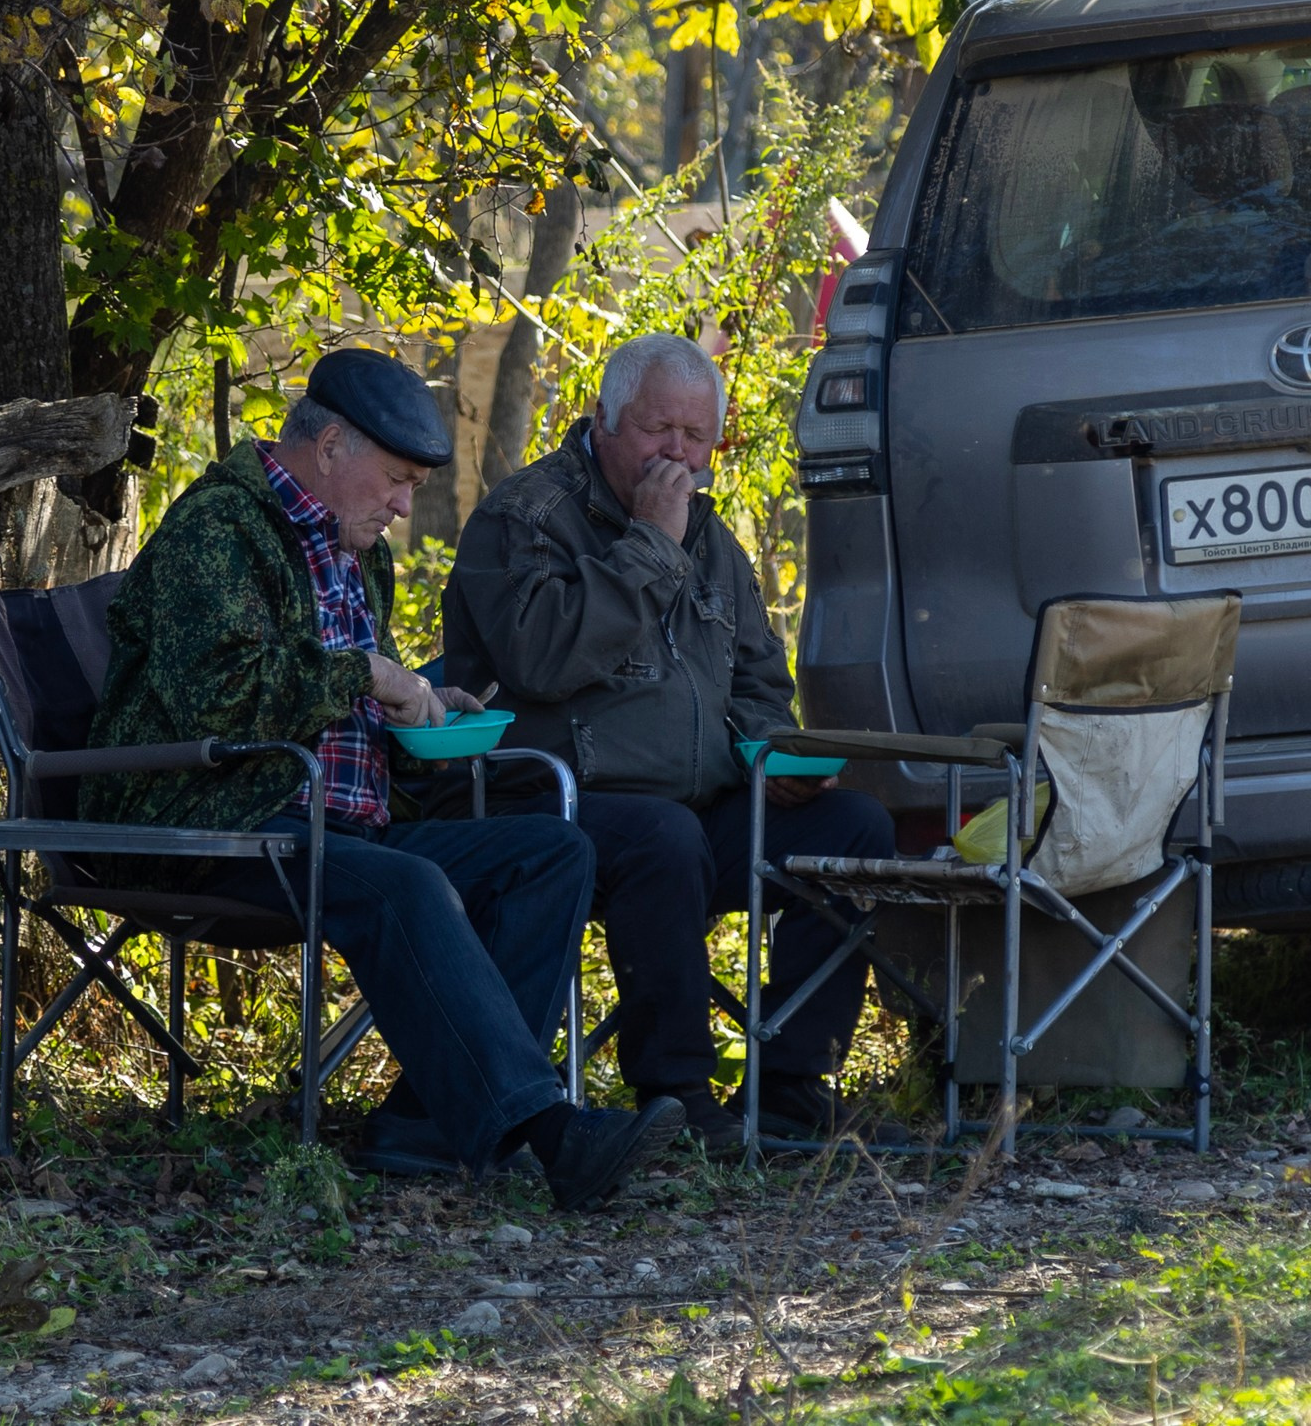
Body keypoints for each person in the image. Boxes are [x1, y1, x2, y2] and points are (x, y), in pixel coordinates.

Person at [80, 346, 683, 1207]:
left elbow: (353, 688)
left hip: (338, 826)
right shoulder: (219, 527)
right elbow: (220, 696)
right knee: (406, 884)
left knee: (553, 853)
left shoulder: (360, 553)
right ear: (330, 449)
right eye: (397, 480)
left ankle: (425, 1128)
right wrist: (367, 675)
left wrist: (426, 703)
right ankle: (554, 1134)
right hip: (210, 817)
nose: (405, 507)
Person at [443, 332, 898, 1149]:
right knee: (663, 835)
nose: (679, 455)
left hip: (693, 807)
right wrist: (650, 544)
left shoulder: (715, 541)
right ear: (604, 420)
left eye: (697, 436)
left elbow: (761, 682)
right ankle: (680, 1092)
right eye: (659, 431)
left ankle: (793, 1082)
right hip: (552, 804)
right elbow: (540, 659)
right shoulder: (525, 517)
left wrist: (770, 757)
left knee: (852, 826)